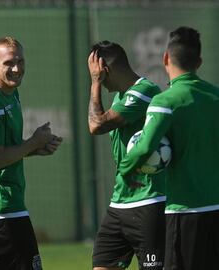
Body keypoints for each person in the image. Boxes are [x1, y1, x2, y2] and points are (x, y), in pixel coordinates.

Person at [119, 26, 219, 270]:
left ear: (165, 58)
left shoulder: (165, 101)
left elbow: (144, 150)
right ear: (199, 61)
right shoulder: (215, 97)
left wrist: (127, 170)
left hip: (184, 213)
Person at [0, 37, 62, 270]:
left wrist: (35, 150)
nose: (17, 68)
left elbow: (6, 149)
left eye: (20, 61)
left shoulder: (10, 92)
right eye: (9, 63)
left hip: (11, 204)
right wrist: (33, 142)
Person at [88, 41, 166, 270]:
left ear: (105, 70)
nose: (94, 78)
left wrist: (94, 84)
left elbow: (95, 125)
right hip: (120, 202)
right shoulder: (119, 97)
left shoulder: (145, 91)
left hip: (149, 201)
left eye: (94, 72)